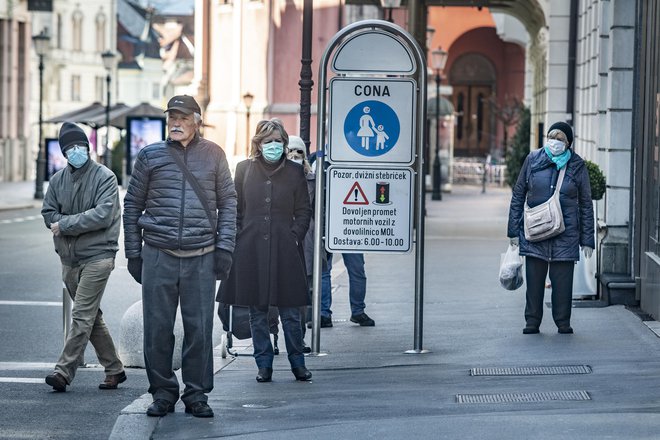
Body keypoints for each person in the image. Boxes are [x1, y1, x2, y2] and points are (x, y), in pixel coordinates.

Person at [123, 95, 237, 418]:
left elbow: (228, 203)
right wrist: (134, 253)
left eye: (183, 118)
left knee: (199, 329)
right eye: (172, 116)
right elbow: (131, 205)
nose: (176, 123)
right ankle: (162, 392)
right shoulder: (149, 156)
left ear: (197, 121)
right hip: (158, 253)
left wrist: (225, 247)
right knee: (157, 329)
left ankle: (196, 394)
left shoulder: (214, 155)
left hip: (201, 255)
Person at [218, 119, 312, 383]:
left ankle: (298, 363)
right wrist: (238, 235)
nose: (273, 146)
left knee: (291, 311)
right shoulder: (244, 169)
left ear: (284, 143)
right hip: (251, 249)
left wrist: (295, 236)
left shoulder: (294, 172)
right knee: (257, 311)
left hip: (285, 249)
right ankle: (264, 364)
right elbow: (235, 209)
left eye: (278, 141)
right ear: (258, 144)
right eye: (268, 141)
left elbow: (304, 211)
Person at [41, 122, 126, 392]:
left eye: (81, 146)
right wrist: (60, 221)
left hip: (99, 256)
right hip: (69, 259)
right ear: (64, 153)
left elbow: (102, 215)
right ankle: (114, 368)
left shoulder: (105, 177)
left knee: (81, 315)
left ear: (88, 148)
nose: (77, 151)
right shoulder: (57, 180)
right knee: (91, 316)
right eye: (71, 148)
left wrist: (64, 224)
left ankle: (63, 371)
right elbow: (48, 213)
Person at [507, 122, 595, 335]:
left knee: (563, 283)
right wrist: (513, 231)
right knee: (534, 282)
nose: (555, 142)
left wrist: (588, 239)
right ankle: (532, 321)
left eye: (560, 138)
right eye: (551, 137)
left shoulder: (577, 165)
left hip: (566, 233)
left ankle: (563, 322)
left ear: (569, 143)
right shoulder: (533, 159)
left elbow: (585, 203)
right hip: (536, 230)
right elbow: (519, 194)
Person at [286, 135, 326, 351]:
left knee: (302, 293)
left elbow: (319, 211)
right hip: (282, 239)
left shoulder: (313, 180)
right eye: (290, 151)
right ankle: (274, 336)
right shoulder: (276, 178)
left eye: (299, 152)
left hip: (307, 241)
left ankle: (299, 339)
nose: (294, 156)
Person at [321, 253, 374, 327]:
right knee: (357, 271)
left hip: (326, 241)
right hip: (352, 242)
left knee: (323, 271)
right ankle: (358, 312)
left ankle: (323, 314)